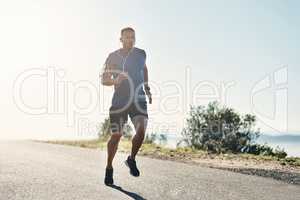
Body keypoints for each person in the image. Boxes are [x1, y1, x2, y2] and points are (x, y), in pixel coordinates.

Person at [100, 27, 152, 185]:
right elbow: (104, 79)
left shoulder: (141, 54)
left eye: (133, 37)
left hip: (138, 98)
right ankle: (109, 167)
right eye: (127, 37)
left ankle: (131, 159)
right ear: (121, 39)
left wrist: (147, 88)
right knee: (116, 135)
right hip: (120, 102)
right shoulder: (113, 57)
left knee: (141, 131)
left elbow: (144, 68)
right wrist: (115, 81)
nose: (130, 40)